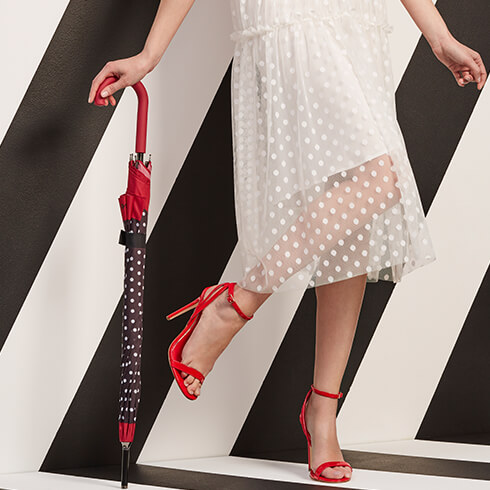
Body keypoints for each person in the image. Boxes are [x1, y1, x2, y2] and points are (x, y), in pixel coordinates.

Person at [88, 0, 486, 484]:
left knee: (353, 221)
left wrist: (439, 36)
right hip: (290, 18)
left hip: (356, 20)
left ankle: (321, 410)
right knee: (375, 179)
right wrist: (150, 54)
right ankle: (234, 307)